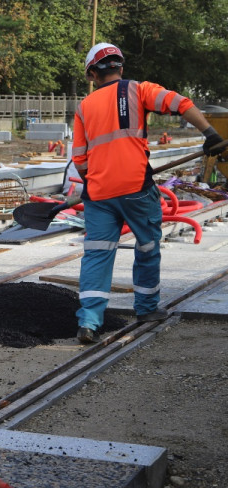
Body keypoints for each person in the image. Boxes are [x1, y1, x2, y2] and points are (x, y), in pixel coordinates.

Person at [72, 43, 224, 344]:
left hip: (99, 194)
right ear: (120, 68)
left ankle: (89, 322)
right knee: (146, 248)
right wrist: (211, 134)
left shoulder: (84, 107)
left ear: (92, 75)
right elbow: (181, 103)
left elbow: (79, 158)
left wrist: (98, 182)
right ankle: (145, 309)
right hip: (136, 189)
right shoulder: (138, 90)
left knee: (97, 255)